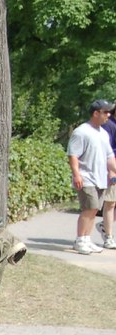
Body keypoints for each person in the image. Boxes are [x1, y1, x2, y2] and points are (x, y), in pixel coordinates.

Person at [68, 99, 116, 254]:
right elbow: (73, 155)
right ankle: (80, 240)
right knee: (89, 208)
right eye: (105, 112)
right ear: (96, 113)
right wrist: (76, 175)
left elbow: (110, 157)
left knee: (95, 209)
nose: (108, 115)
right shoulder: (82, 131)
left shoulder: (103, 133)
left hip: (100, 178)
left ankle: (86, 239)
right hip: (86, 176)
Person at [98, 101, 116, 248]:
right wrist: (111, 171)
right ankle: (109, 236)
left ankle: (105, 225)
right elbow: (106, 150)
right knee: (110, 202)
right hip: (112, 168)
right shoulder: (109, 125)